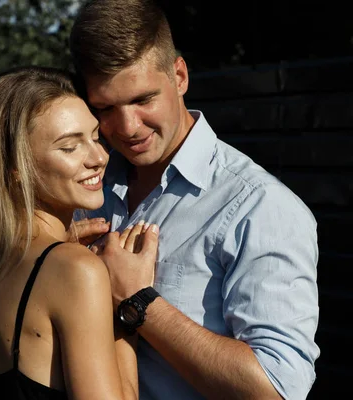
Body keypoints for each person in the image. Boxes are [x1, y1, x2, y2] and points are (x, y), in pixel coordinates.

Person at [69, 1, 320, 399]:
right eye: (104, 108)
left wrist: (139, 303)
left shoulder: (261, 208)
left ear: (180, 75)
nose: (126, 127)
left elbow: (277, 389)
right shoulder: (84, 185)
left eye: (142, 99)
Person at [0, 66, 159, 400]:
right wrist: (128, 308)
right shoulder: (76, 270)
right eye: (69, 147)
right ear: (17, 170)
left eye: (94, 136)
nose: (100, 156)